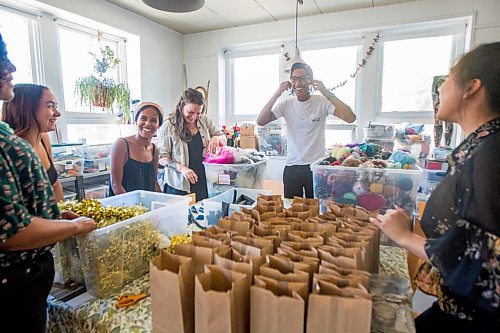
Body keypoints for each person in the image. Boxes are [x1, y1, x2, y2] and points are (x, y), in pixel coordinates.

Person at [370, 42, 500, 332]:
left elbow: (485, 258)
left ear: (472, 88)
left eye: (449, 79)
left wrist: (404, 237)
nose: (439, 89)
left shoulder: (489, 152)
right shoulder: (481, 146)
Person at [0, 34, 96, 332]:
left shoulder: (41, 141)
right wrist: (74, 227)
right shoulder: (10, 144)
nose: (56, 113)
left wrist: (57, 215)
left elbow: (44, 198)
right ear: (28, 107)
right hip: (18, 275)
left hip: (38, 265)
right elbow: (12, 231)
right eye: (50, 106)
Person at [257, 62, 356, 198]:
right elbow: (261, 121)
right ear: (291, 81)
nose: (298, 83)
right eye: (294, 79)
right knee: (291, 212)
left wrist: (326, 92)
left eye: (303, 78)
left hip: (316, 167)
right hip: (292, 167)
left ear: (310, 80)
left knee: (316, 211)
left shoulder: (321, 101)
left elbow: (350, 117)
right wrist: (277, 93)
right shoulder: (286, 104)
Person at [158, 88, 226, 201]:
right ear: (181, 107)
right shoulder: (168, 126)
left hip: (203, 180)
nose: (194, 117)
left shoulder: (204, 120)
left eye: (198, 113)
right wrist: (183, 169)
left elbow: (223, 138)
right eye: (190, 112)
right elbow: (162, 158)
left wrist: (216, 137)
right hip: (179, 185)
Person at [2, 83, 64, 201]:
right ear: (26, 109)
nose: (57, 113)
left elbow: (55, 184)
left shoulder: (44, 138)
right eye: (50, 106)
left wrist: (65, 217)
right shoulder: (8, 150)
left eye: (56, 106)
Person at [110, 102, 163, 195]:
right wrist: (135, 209)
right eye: (143, 118)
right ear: (136, 121)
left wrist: (165, 201)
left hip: (146, 206)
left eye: (153, 120)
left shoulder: (154, 150)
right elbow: (116, 186)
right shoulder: (122, 144)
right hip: (123, 206)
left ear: (159, 125)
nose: (147, 124)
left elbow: (154, 183)